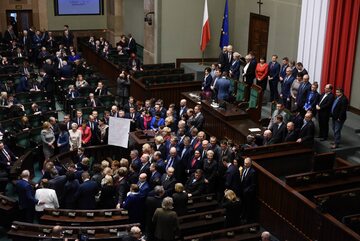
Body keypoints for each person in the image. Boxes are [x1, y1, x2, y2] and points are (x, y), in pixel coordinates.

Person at [240, 157, 256, 223]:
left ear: (250, 164)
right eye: (244, 163)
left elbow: (253, 185)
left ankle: (247, 219)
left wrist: (246, 190)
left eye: (246, 164)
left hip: (248, 193)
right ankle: (242, 216)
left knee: (248, 207)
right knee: (243, 205)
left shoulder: (253, 172)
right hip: (242, 191)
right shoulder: (243, 168)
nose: (245, 165)